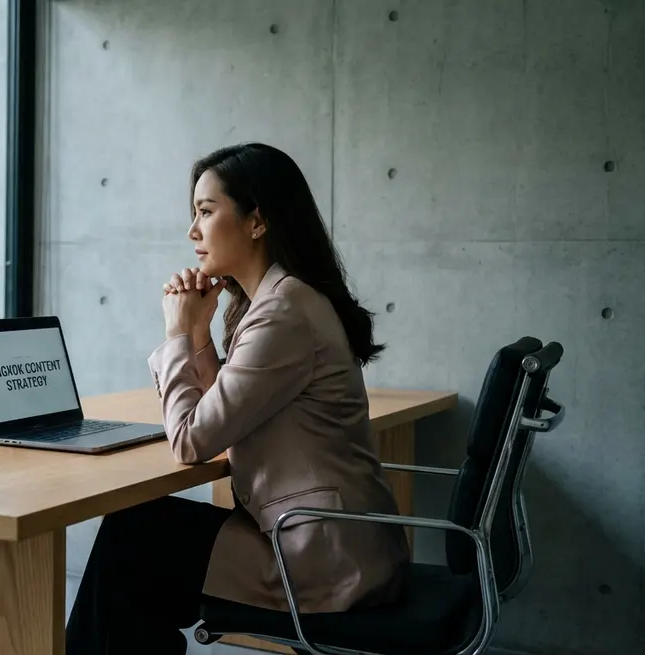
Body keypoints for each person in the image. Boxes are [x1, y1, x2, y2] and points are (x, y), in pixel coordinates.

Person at [65, 143, 410, 653]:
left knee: (131, 543)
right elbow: (223, 413)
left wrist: (178, 332)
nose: (192, 232)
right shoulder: (282, 299)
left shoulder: (282, 313)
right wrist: (201, 330)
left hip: (319, 555)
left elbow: (191, 440)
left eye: (206, 212)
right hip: (334, 537)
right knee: (136, 534)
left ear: (256, 221)